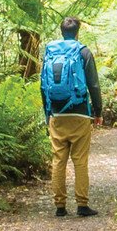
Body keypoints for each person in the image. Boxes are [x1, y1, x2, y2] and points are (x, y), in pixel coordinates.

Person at [38, 14, 104, 217]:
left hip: (57, 113)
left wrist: (47, 113)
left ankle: (60, 207)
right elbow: (93, 84)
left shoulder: (50, 53)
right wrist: (98, 111)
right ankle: (82, 205)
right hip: (80, 113)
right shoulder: (83, 52)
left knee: (59, 160)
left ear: (61, 31)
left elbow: (43, 86)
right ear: (78, 32)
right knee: (80, 160)